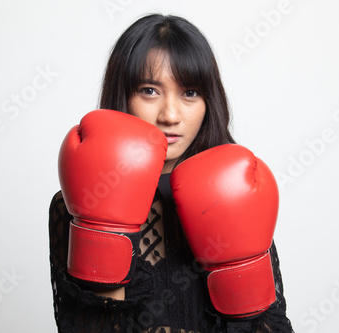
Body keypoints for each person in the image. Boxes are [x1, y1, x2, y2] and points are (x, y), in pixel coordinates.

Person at [49, 14, 294, 332]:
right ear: (123, 94)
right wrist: (105, 230)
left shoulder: (237, 192)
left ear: (209, 101)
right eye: (150, 90)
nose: (171, 115)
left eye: (190, 92)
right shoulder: (73, 204)